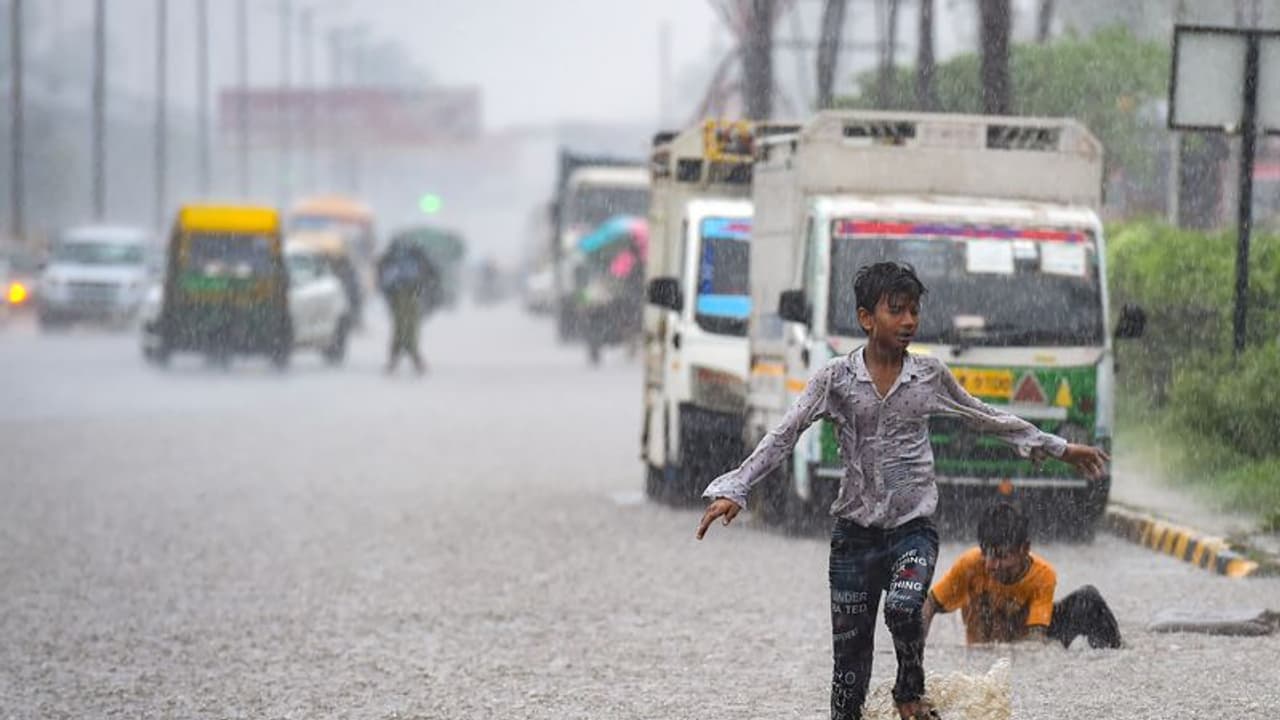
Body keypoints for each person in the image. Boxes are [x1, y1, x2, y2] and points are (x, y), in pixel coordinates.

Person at [695, 262, 1110, 720]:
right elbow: (784, 434)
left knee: (905, 604)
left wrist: (1058, 448)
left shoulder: (928, 376)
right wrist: (737, 486)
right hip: (853, 537)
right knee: (848, 672)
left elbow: (986, 417)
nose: (909, 321)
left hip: (912, 530)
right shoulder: (836, 379)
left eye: (914, 311)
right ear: (866, 318)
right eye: (897, 311)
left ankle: (909, 690)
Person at [923, 502, 1122, 649]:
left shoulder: (1042, 575)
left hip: (1022, 648)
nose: (992, 565)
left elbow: (1036, 641)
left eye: (1001, 556)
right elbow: (929, 604)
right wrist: (914, 651)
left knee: (1088, 599)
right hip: (981, 654)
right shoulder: (970, 565)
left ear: (1024, 549)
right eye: (987, 555)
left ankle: (1115, 652)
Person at [376, 239, 437, 375]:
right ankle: (410, 357)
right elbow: (429, 276)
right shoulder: (415, 256)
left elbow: (382, 277)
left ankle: (400, 358)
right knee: (408, 327)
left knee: (402, 327)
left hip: (400, 294)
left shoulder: (393, 257)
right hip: (409, 293)